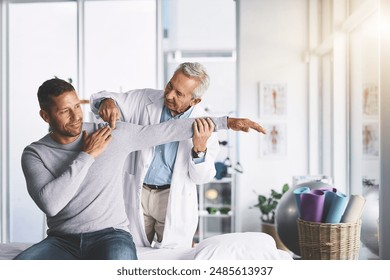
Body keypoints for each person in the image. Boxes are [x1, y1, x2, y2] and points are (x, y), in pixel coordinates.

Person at [14, 78, 265, 260]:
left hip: (110, 235)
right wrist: (87, 155)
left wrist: (226, 122)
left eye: (76, 107)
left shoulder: (109, 133)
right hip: (62, 241)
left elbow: (166, 130)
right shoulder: (35, 154)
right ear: (45, 116)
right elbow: (52, 204)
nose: (76, 116)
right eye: (64, 111)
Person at [90, 62, 221, 248]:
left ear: (195, 100)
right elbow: (103, 98)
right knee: (129, 249)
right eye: (170, 86)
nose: (168, 95)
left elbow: (202, 177)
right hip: (138, 192)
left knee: (171, 259)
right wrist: (107, 102)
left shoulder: (206, 124)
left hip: (172, 197)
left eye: (179, 93)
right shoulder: (145, 99)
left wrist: (199, 149)